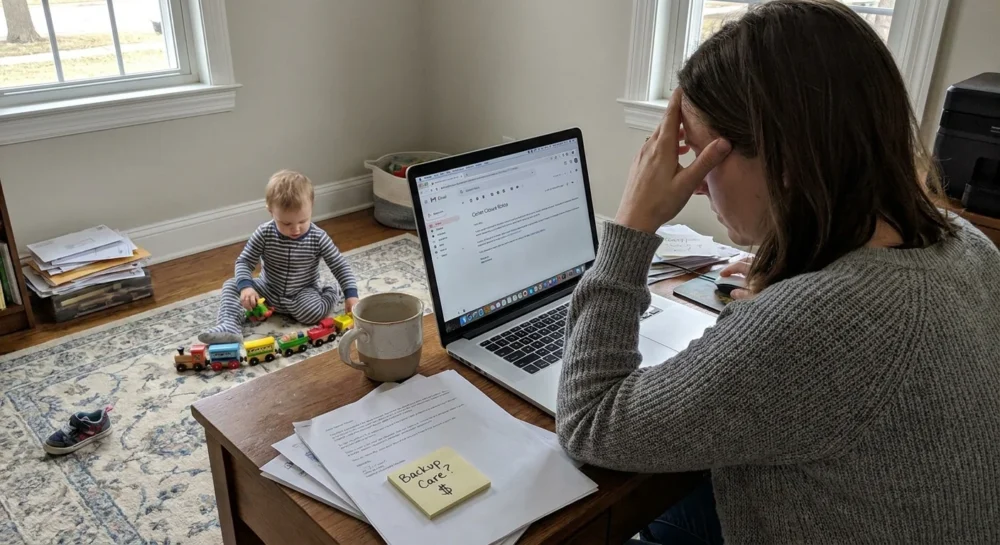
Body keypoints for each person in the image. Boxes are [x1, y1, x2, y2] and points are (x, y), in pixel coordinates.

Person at [555, 1, 1000, 544]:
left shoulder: (821, 322)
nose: (693, 184)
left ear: (783, 157)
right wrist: (787, 274)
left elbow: (589, 423)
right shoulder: (965, 243)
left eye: (701, 157)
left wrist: (631, 225)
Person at [199, 170, 359, 344]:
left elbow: (340, 265)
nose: (296, 229)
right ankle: (229, 326)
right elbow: (244, 262)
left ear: (312, 207)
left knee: (311, 314)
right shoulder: (264, 233)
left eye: (303, 221)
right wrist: (246, 288)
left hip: (302, 292)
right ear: (270, 211)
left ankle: (330, 291)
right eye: (286, 223)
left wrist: (350, 294)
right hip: (268, 288)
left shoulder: (318, 237)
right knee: (231, 285)